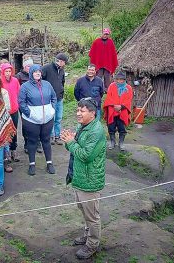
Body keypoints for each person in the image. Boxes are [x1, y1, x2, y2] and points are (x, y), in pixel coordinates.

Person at [61, 98, 106, 260]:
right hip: (79, 177)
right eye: (78, 110)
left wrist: (71, 142)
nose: (78, 113)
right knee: (84, 211)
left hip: (90, 180)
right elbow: (75, 149)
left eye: (82, 110)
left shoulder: (97, 131)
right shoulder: (83, 126)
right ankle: (88, 236)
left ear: (92, 113)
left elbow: (86, 156)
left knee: (92, 216)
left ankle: (92, 244)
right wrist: (68, 141)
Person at [19, 64, 57, 176]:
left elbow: (54, 98)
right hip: (31, 120)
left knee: (46, 140)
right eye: (35, 72)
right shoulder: (25, 86)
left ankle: (49, 163)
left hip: (47, 119)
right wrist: (29, 113)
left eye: (39, 71)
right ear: (31, 73)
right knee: (32, 141)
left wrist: (52, 110)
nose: (38, 73)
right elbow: (21, 102)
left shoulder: (47, 84)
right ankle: (32, 164)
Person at [103, 71, 133, 151]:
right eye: (118, 79)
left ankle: (121, 143)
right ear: (115, 79)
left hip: (123, 111)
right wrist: (114, 106)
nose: (119, 81)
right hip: (112, 110)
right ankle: (112, 142)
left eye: (121, 79)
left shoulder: (128, 88)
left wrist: (121, 106)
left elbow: (128, 99)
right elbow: (109, 97)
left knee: (122, 127)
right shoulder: (112, 86)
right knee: (111, 126)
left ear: (124, 80)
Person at [42, 53, 67, 146]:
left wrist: (62, 93)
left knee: (58, 118)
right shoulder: (46, 68)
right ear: (58, 60)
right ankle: (51, 136)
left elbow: (62, 82)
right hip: (49, 98)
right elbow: (40, 80)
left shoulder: (62, 71)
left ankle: (57, 136)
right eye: (61, 61)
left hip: (59, 98)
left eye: (63, 62)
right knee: (50, 118)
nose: (62, 63)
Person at [0, 62, 21, 162]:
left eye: (9, 71)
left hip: (14, 110)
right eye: (6, 71)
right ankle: (6, 152)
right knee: (5, 131)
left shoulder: (15, 81)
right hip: (4, 112)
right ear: (2, 72)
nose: (8, 73)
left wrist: (17, 104)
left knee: (14, 130)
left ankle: (14, 150)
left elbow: (18, 93)